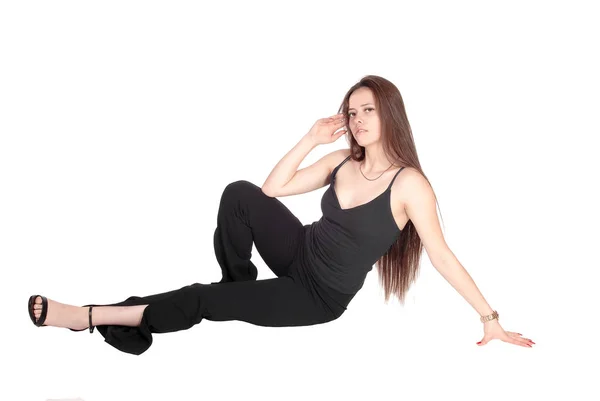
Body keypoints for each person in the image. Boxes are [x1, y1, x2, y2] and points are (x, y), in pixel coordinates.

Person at [28, 75, 535, 355]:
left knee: (203, 301)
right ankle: (237, 285)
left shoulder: (410, 185)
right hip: (298, 250)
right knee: (239, 193)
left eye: (368, 111)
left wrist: (490, 319)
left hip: (316, 295)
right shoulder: (341, 159)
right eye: (352, 111)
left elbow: (443, 257)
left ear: (391, 115)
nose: (357, 120)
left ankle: (89, 317)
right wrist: (312, 137)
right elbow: (273, 190)